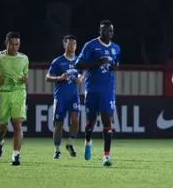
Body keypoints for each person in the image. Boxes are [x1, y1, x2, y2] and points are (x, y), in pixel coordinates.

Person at [75, 20, 121, 166]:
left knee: (107, 121)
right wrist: (97, 63)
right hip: (92, 89)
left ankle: (106, 156)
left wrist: (115, 67)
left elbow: (117, 63)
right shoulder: (90, 46)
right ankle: (88, 141)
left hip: (107, 90)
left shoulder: (116, 48)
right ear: (100, 31)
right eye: (105, 30)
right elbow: (78, 64)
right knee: (91, 122)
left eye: (111, 31)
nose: (108, 33)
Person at [0, 32, 29, 166]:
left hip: (19, 93)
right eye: (12, 44)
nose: (14, 47)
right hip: (3, 94)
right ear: (6, 43)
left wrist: (25, 79)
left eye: (17, 44)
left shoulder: (24, 58)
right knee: (3, 127)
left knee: (17, 125)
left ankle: (16, 156)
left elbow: (24, 74)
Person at [46, 35, 84, 159]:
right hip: (60, 97)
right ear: (64, 45)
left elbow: (83, 73)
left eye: (74, 43)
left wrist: (80, 79)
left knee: (75, 120)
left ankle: (70, 144)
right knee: (58, 124)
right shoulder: (57, 61)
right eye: (70, 43)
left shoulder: (79, 61)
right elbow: (48, 77)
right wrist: (59, 78)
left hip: (73, 96)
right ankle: (57, 150)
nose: (72, 45)